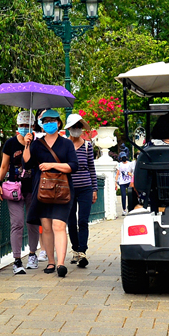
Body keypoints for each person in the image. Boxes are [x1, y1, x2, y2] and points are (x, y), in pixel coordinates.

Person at [23, 109, 79, 278]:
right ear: (41, 124)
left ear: (59, 123)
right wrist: (27, 145)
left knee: (59, 226)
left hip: (63, 190)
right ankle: (51, 261)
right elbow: (27, 165)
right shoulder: (36, 144)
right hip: (43, 190)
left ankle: (61, 263)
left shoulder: (66, 143)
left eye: (52, 120)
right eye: (45, 121)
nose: (49, 123)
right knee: (46, 227)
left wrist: (52, 165)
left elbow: (73, 166)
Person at [0, 111, 41, 274]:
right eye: (21, 125)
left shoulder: (38, 143)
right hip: (14, 188)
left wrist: (29, 145)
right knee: (17, 223)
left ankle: (33, 254)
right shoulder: (10, 143)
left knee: (32, 222)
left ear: (33, 127)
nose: (24, 128)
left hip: (32, 187)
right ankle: (17, 260)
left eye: (27, 126)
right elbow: (4, 166)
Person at [64, 113, 97, 268]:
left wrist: (95, 189)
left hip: (85, 188)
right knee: (71, 221)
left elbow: (91, 168)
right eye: (74, 126)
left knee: (83, 220)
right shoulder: (64, 145)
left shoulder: (87, 146)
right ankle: (75, 249)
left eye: (79, 126)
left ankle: (82, 251)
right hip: (68, 188)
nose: (76, 129)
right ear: (69, 128)